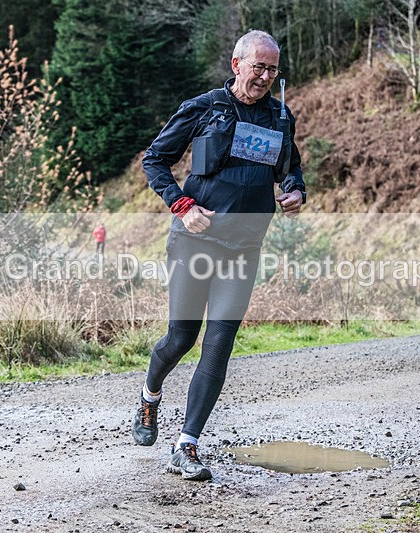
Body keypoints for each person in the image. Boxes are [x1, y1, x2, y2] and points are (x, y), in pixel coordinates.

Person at [132, 29, 306, 481]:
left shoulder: (279, 117)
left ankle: (186, 443)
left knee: (219, 344)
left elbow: (292, 169)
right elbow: (155, 158)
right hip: (196, 240)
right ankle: (150, 397)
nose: (265, 77)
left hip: (243, 248)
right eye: (258, 67)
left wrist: (294, 192)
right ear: (236, 65)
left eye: (272, 69)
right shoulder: (205, 108)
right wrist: (181, 205)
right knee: (181, 339)